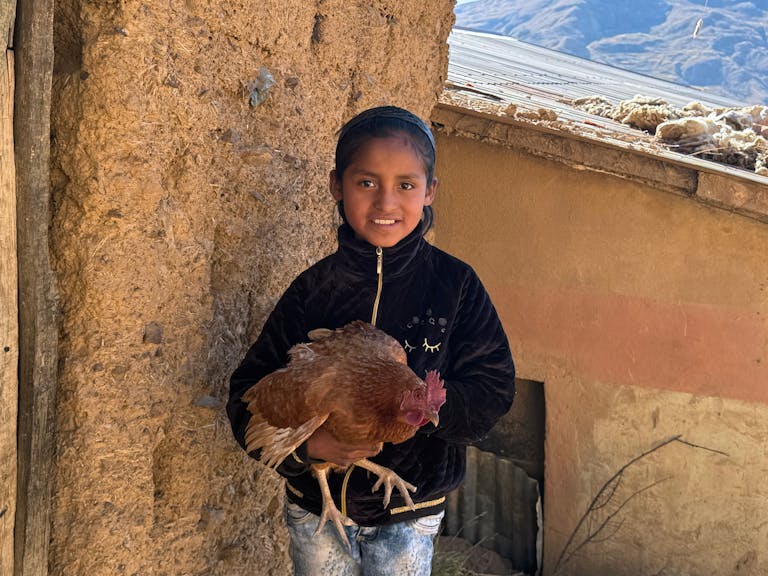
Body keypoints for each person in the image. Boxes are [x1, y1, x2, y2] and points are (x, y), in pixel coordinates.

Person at [227, 105, 516, 575]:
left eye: (405, 185)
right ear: (336, 186)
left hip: (409, 511)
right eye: (366, 183)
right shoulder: (313, 290)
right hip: (315, 509)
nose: (385, 203)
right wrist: (309, 449)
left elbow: (494, 389)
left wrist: (420, 407)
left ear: (430, 191)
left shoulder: (454, 286)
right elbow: (247, 395)